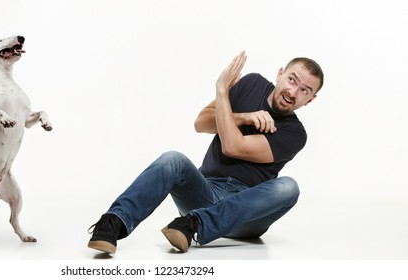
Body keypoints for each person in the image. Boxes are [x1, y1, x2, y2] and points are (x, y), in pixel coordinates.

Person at [87, 51, 324, 254]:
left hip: (246, 213)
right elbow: (201, 123)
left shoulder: (295, 133)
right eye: (292, 80)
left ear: (310, 100)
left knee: (288, 187)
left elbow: (232, 146)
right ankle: (113, 223)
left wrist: (222, 89)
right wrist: (242, 115)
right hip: (204, 192)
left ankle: (194, 225)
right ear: (280, 73)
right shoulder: (252, 83)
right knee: (173, 159)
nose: (293, 92)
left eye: (304, 90)